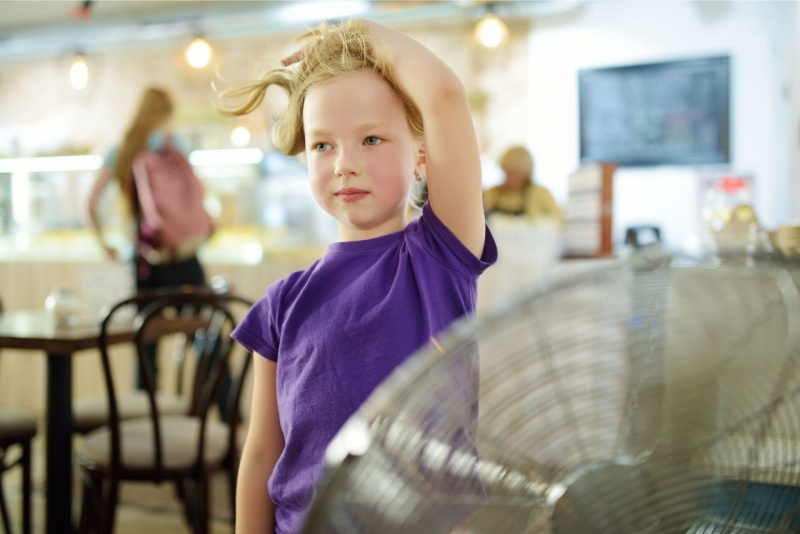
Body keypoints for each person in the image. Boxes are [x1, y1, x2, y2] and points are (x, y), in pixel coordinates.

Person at [221, 19, 497, 534]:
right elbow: (261, 454)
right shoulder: (282, 303)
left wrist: (357, 33)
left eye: (371, 138)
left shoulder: (439, 258)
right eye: (323, 145)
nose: (345, 164)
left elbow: (442, 93)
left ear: (420, 157)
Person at [87, 87, 208, 389]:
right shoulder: (173, 146)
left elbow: (89, 204)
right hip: (182, 257)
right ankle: (230, 420)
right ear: (165, 113)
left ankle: (147, 418)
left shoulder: (122, 151)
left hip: (143, 262)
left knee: (146, 347)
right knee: (205, 339)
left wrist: (105, 244)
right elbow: (195, 195)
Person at [483, 145, 562, 221]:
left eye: (512, 174)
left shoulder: (541, 194)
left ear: (524, 173)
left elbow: (557, 221)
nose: (507, 178)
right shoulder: (493, 193)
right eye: (506, 172)